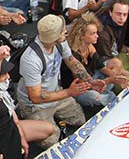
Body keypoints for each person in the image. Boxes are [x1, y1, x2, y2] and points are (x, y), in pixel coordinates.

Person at [17, 14, 105, 149]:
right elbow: (35, 97)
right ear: (53, 37)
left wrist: (90, 81)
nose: (65, 31)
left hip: (56, 92)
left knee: (80, 119)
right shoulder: (31, 59)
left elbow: (72, 61)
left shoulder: (60, 42)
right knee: (53, 142)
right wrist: (69, 92)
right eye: (61, 30)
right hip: (35, 106)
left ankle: (55, 117)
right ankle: (32, 122)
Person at [63, 12, 129, 107]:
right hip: (80, 88)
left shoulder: (90, 47)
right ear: (82, 35)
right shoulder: (74, 54)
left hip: (93, 77)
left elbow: (101, 67)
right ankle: (114, 101)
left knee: (115, 63)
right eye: (93, 33)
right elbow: (82, 84)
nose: (97, 36)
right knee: (93, 96)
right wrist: (109, 80)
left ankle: (107, 90)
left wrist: (116, 77)